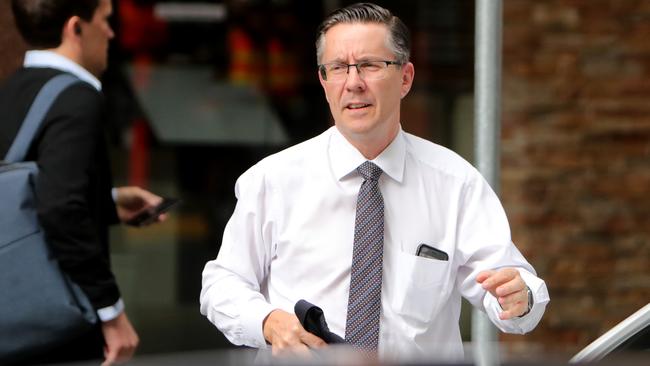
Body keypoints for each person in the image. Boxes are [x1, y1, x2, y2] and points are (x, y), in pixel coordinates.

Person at [200, 2, 550, 362]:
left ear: (405, 78)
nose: (353, 83)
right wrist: (268, 321)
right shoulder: (273, 180)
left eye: (370, 65)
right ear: (323, 80)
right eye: (338, 68)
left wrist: (520, 297)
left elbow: (516, 292)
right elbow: (220, 285)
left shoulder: (455, 183)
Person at [0, 0, 165, 364]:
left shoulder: (12, 89)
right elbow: (59, 206)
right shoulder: (77, 98)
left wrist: (105, 201)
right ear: (75, 27)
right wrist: (111, 311)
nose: (110, 33)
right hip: (57, 321)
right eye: (105, 21)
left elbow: (30, 189)